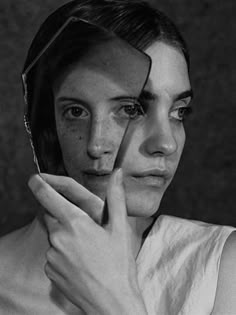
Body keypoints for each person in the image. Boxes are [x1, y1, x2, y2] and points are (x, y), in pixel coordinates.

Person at [0, 0, 235, 314]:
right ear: (47, 122)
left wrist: (114, 303)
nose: (167, 143)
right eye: (133, 109)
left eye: (179, 112)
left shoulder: (220, 269)